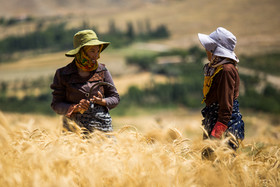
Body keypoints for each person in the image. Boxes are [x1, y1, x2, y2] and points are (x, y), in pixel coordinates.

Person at [50, 29, 120, 133]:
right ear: (81, 51)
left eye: (98, 51)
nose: (96, 55)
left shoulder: (102, 71)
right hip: (74, 129)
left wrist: (103, 101)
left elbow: (115, 98)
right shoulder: (63, 74)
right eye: (92, 51)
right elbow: (56, 105)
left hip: (101, 127)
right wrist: (75, 108)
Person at [197, 27, 244, 150]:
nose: (206, 50)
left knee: (218, 164)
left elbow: (226, 107)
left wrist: (215, 136)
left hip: (223, 126)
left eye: (209, 47)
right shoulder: (219, 68)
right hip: (215, 121)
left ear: (215, 50)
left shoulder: (225, 71)